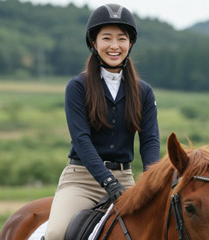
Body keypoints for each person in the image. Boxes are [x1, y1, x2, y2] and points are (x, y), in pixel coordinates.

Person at [43, 3, 160, 240]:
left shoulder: (144, 92)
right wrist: (107, 181)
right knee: (56, 234)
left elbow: (149, 141)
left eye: (122, 39)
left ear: (130, 44)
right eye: (106, 38)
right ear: (94, 43)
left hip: (124, 178)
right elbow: (81, 139)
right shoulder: (78, 87)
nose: (114, 46)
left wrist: (151, 183)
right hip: (82, 179)